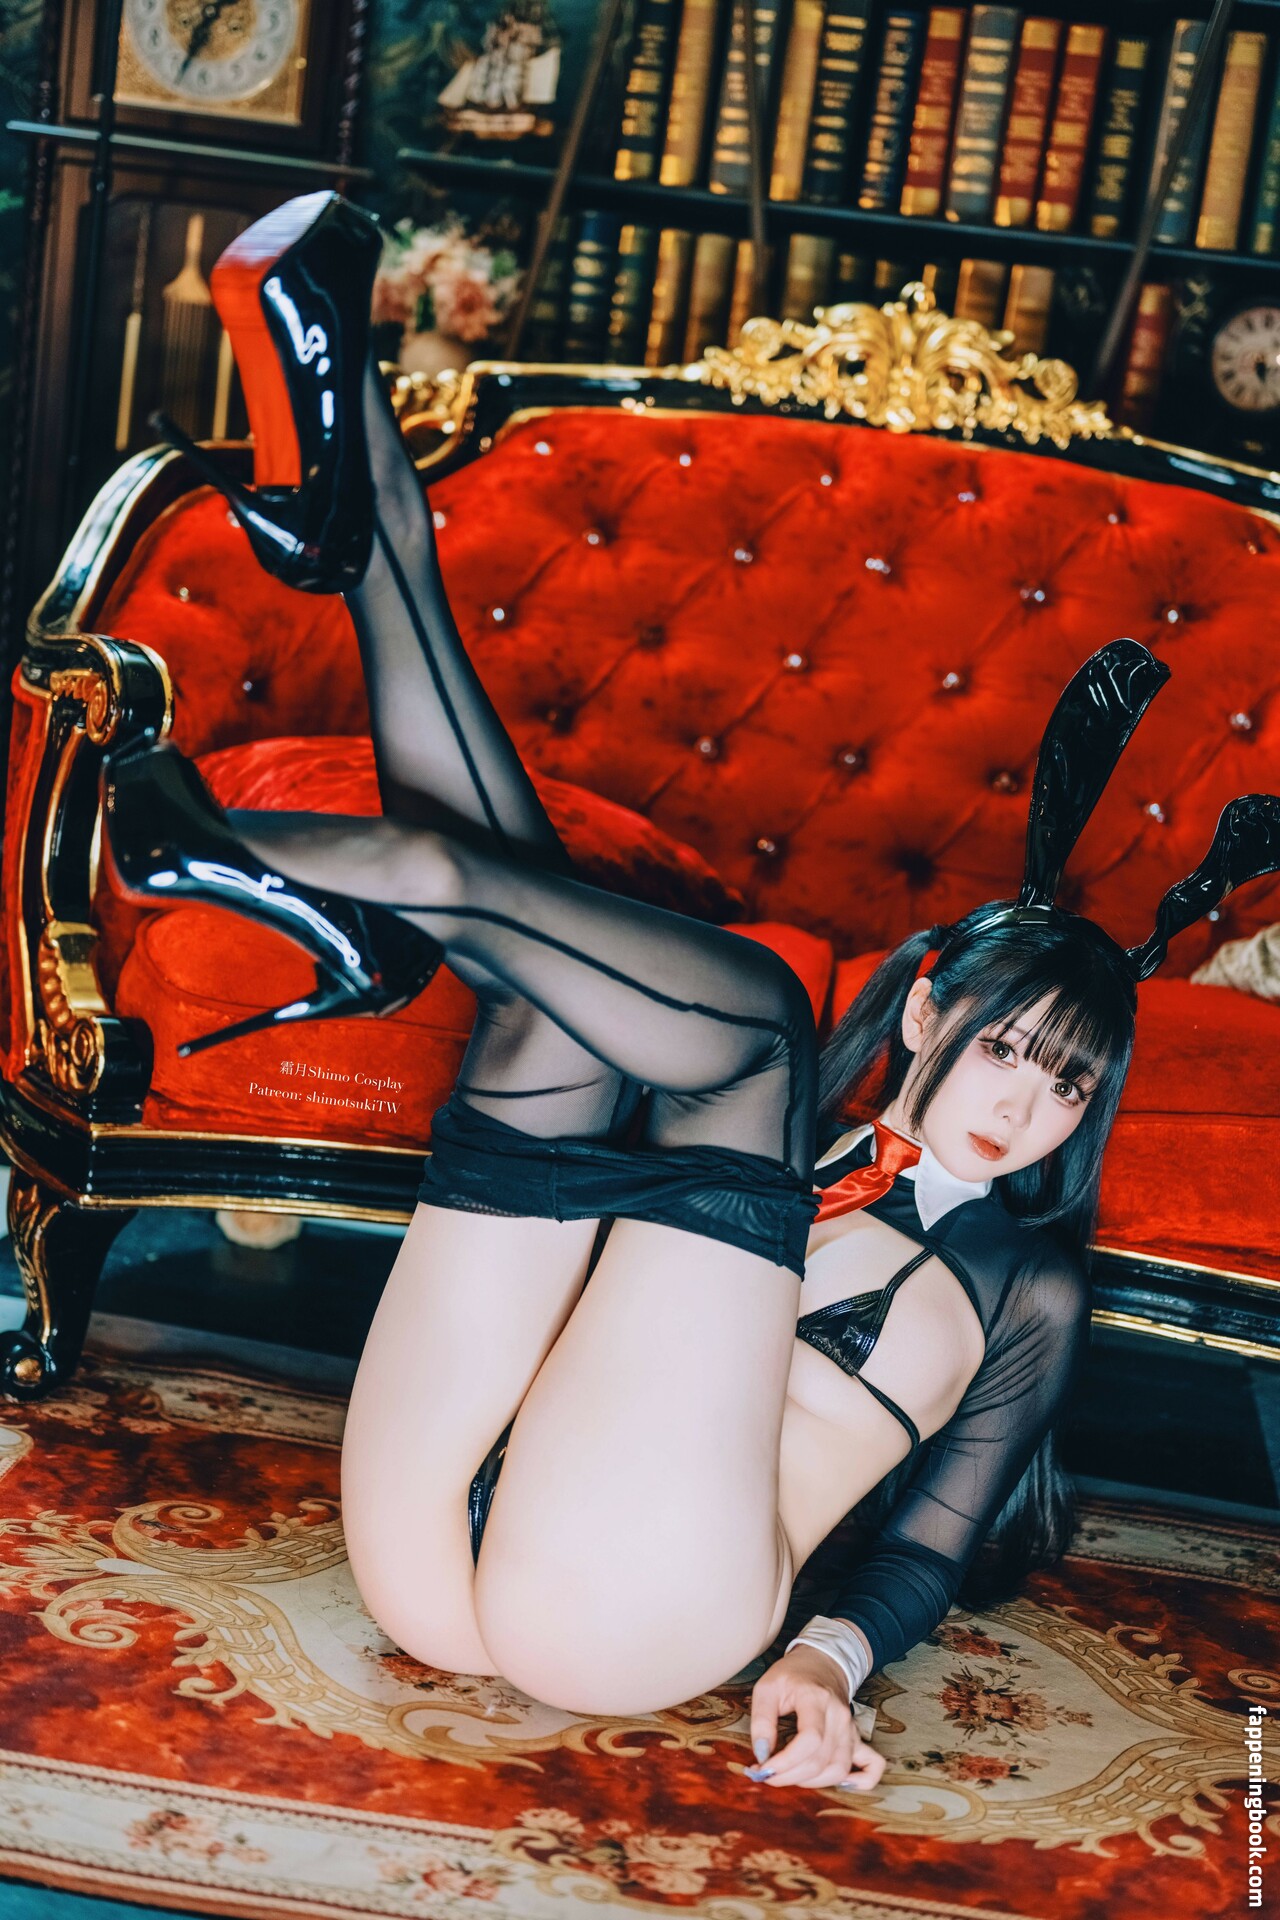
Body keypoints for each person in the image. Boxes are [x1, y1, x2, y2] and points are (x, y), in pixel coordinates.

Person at [99, 193, 1280, 1797]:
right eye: (1010, 1045)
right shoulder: (802, 1140)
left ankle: (358, 879)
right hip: (437, 1513)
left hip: (637, 1609)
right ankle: (358, 462)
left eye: (1071, 1081)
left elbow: (930, 1544)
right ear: (924, 1012)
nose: (1031, 1101)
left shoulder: (1024, 1286)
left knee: (749, 1041)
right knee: (571, 1007)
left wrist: (825, 1661)